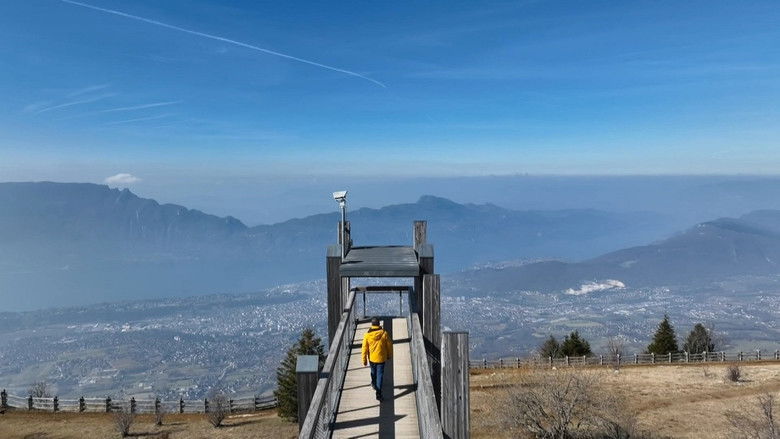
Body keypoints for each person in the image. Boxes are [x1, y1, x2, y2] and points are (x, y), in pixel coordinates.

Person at [361, 317, 393, 401]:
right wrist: (389, 355)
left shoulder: (367, 335)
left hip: (372, 358)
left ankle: (374, 384)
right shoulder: (384, 333)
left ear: (372, 325)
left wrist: (364, 360)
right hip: (381, 358)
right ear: (379, 324)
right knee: (380, 375)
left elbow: (364, 348)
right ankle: (378, 393)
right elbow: (389, 345)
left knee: (373, 372)